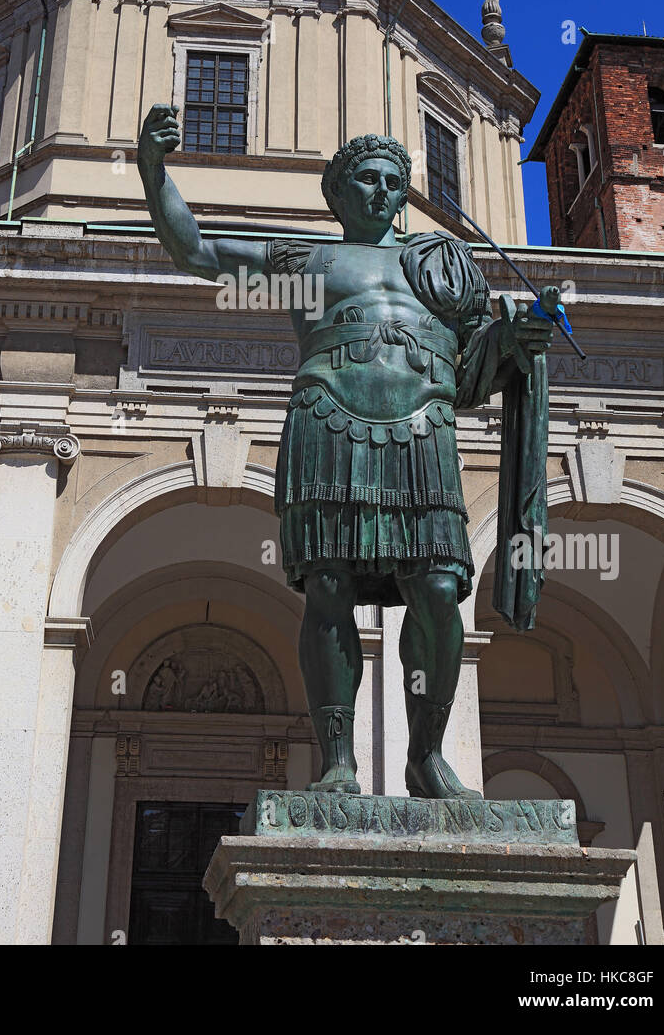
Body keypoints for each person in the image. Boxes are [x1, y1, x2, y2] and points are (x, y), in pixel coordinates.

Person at [138, 105, 553, 797]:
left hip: (423, 431)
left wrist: (523, 335)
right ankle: (338, 761)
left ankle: (427, 754)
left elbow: (481, 361)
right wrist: (154, 170)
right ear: (336, 194)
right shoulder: (306, 261)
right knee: (328, 589)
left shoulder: (444, 267)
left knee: (439, 591)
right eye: (364, 179)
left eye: (393, 180)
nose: (380, 191)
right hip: (328, 423)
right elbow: (198, 253)